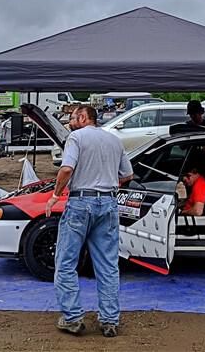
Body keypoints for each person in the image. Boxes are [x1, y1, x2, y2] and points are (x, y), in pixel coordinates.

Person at [46, 104, 133, 338]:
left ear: (84, 117)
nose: (70, 122)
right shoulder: (114, 140)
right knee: (107, 265)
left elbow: (66, 169)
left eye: (73, 118)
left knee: (66, 262)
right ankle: (109, 321)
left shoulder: (76, 137)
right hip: (108, 204)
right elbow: (128, 174)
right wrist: (107, 184)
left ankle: (73, 318)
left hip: (80, 203)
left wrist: (55, 196)